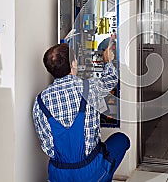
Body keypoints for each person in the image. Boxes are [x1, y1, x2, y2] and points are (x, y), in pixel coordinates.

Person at [32, 43, 130, 182]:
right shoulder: (89, 87)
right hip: (91, 172)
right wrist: (108, 61)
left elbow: (46, 141)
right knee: (122, 140)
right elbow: (112, 79)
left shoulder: (40, 102)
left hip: (59, 175)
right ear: (73, 63)